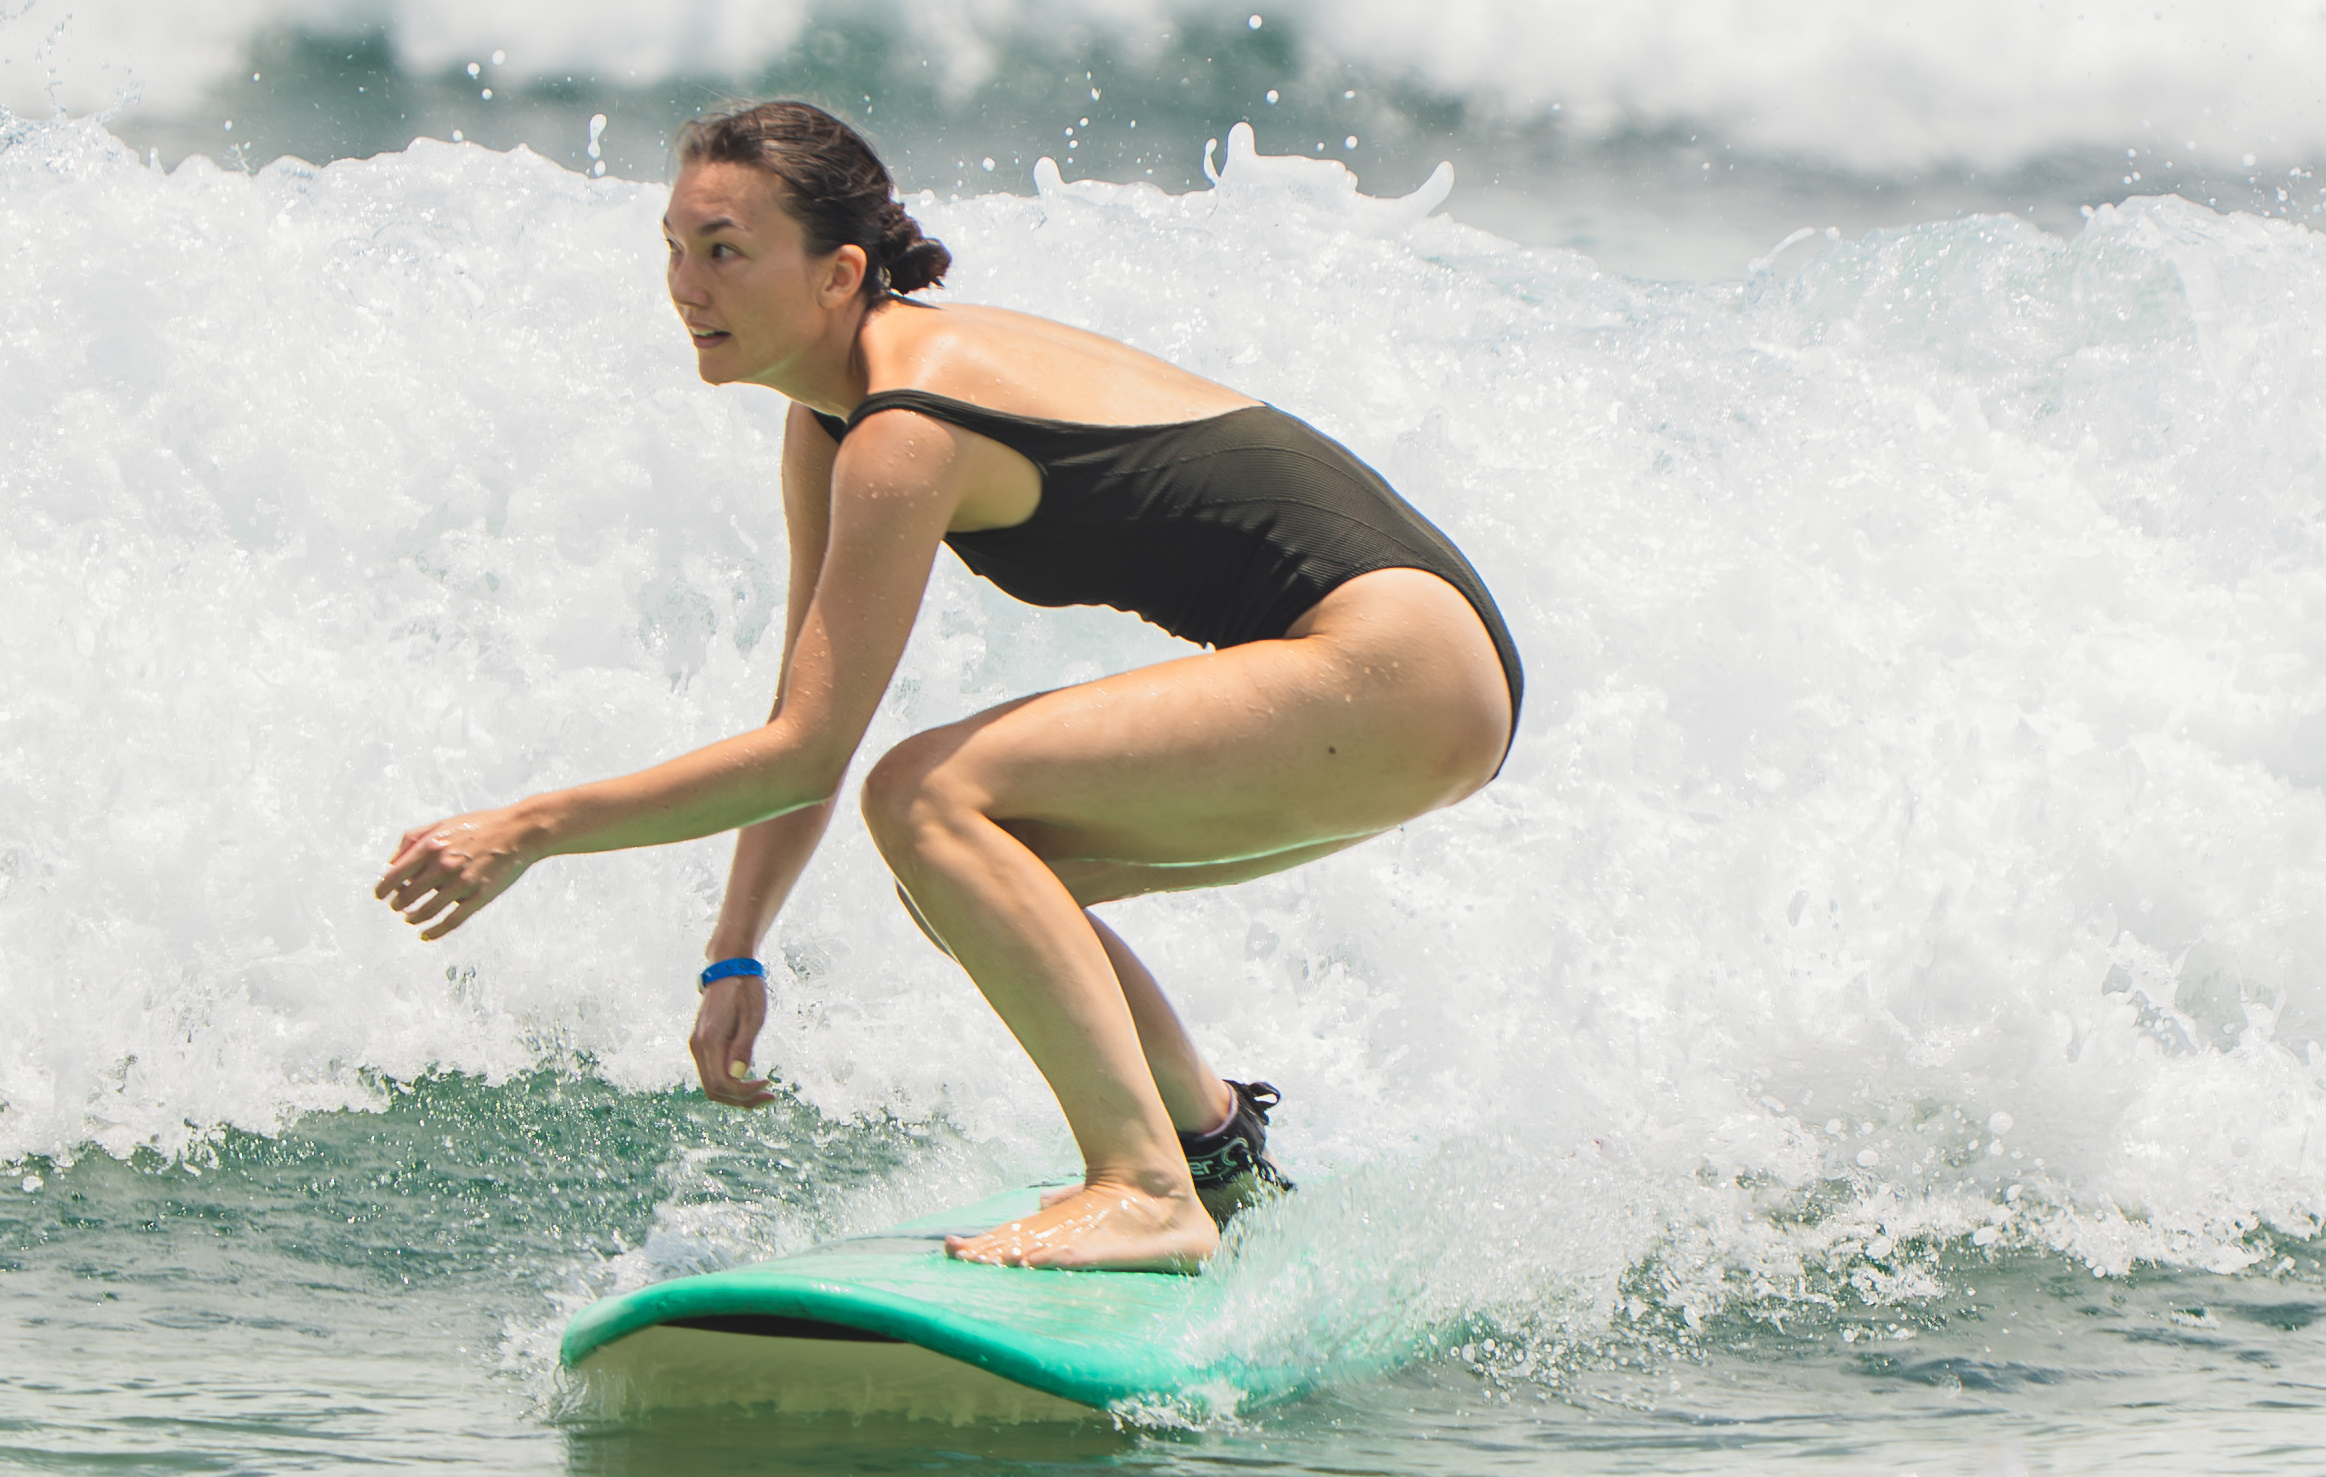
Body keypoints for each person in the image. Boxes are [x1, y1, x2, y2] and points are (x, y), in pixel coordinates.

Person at [378, 99, 1522, 1270]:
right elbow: (799, 723)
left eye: (724, 251)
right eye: (673, 248)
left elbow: (815, 756)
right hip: (1415, 676)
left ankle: (1141, 1189)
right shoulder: (833, 423)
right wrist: (735, 950)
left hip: (1396, 663)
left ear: (839, 276)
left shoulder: (906, 423)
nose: (686, 284)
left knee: (924, 798)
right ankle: (1210, 1151)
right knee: (967, 875)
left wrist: (528, 828)